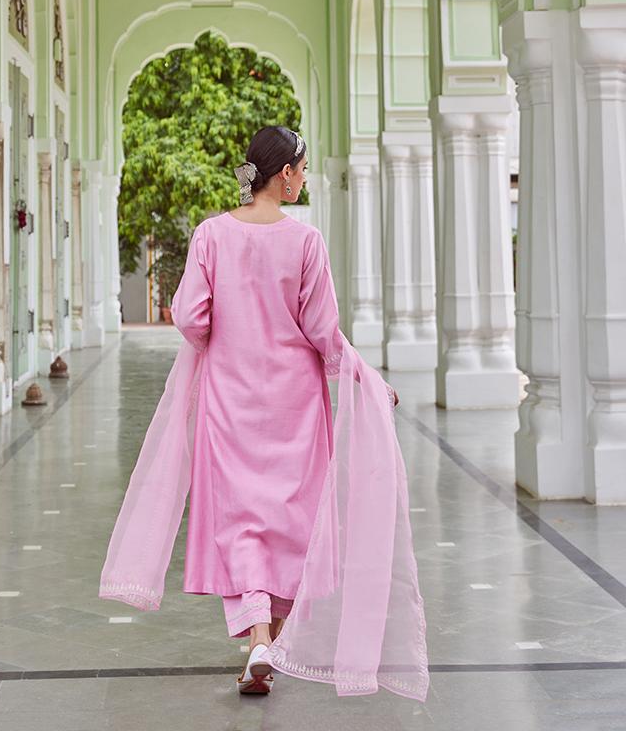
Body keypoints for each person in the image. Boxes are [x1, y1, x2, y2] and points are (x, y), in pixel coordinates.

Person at [98, 125, 426, 704]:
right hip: (294, 406)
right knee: (286, 523)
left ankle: (257, 640)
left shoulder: (210, 235)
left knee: (241, 522)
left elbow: (190, 316)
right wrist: (366, 379)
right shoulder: (304, 242)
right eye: (301, 168)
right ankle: (267, 640)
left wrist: (228, 338)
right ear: (284, 174)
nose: (303, 177)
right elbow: (324, 332)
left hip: (228, 399)